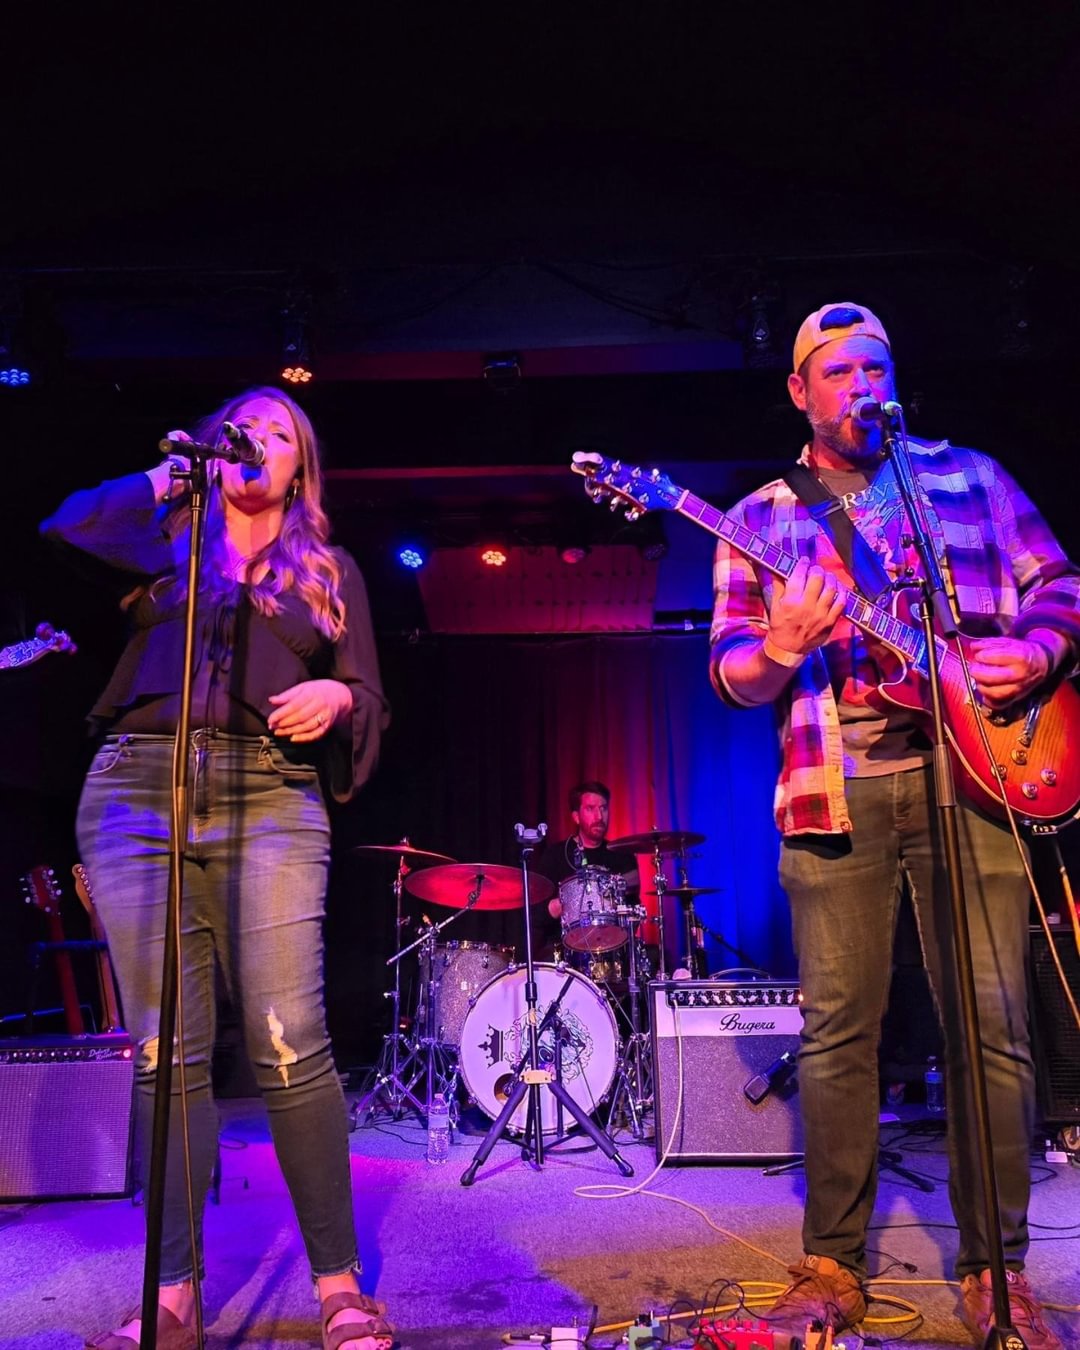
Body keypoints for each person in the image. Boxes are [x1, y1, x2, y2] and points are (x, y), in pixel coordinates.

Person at [708, 303, 1079, 1349]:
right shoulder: (759, 517)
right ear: (800, 391)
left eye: (876, 368)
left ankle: (997, 1273)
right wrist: (781, 646)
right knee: (838, 1034)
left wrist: (1038, 657)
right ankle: (831, 1263)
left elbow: (1062, 587)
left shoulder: (969, 480)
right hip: (836, 786)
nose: (860, 385)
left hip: (980, 774)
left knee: (993, 1029)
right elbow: (733, 676)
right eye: (837, 371)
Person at [41, 387, 394, 1350]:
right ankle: (172, 1293)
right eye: (243, 426)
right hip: (134, 787)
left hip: (270, 792)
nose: (258, 441)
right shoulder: (167, 541)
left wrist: (334, 692)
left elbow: (368, 694)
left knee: (289, 1034)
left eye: (281, 433)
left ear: (300, 468)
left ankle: (338, 1285)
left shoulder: (328, 569)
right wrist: (170, 475)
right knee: (165, 1048)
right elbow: (67, 523)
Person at [532, 780, 638, 965]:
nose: (599, 816)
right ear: (576, 816)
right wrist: (560, 905)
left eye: (604, 808)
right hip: (565, 956)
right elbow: (535, 915)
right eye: (590, 809)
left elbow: (634, 909)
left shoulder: (623, 856)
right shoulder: (555, 855)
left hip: (612, 954)